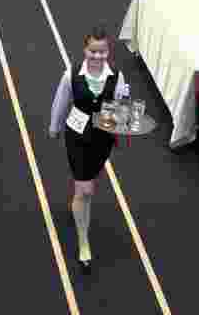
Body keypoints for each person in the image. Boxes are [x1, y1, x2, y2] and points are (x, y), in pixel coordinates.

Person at [48, 27, 130, 274]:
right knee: (85, 189)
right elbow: (61, 101)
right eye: (93, 51)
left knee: (87, 188)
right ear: (85, 50)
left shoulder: (117, 76)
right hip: (77, 135)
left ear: (108, 51)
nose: (97, 56)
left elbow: (121, 109)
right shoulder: (71, 74)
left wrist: (124, 117)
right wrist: (54, 126)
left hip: (102, 138)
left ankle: (79, 201)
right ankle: (84, 242)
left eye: (102, 51)